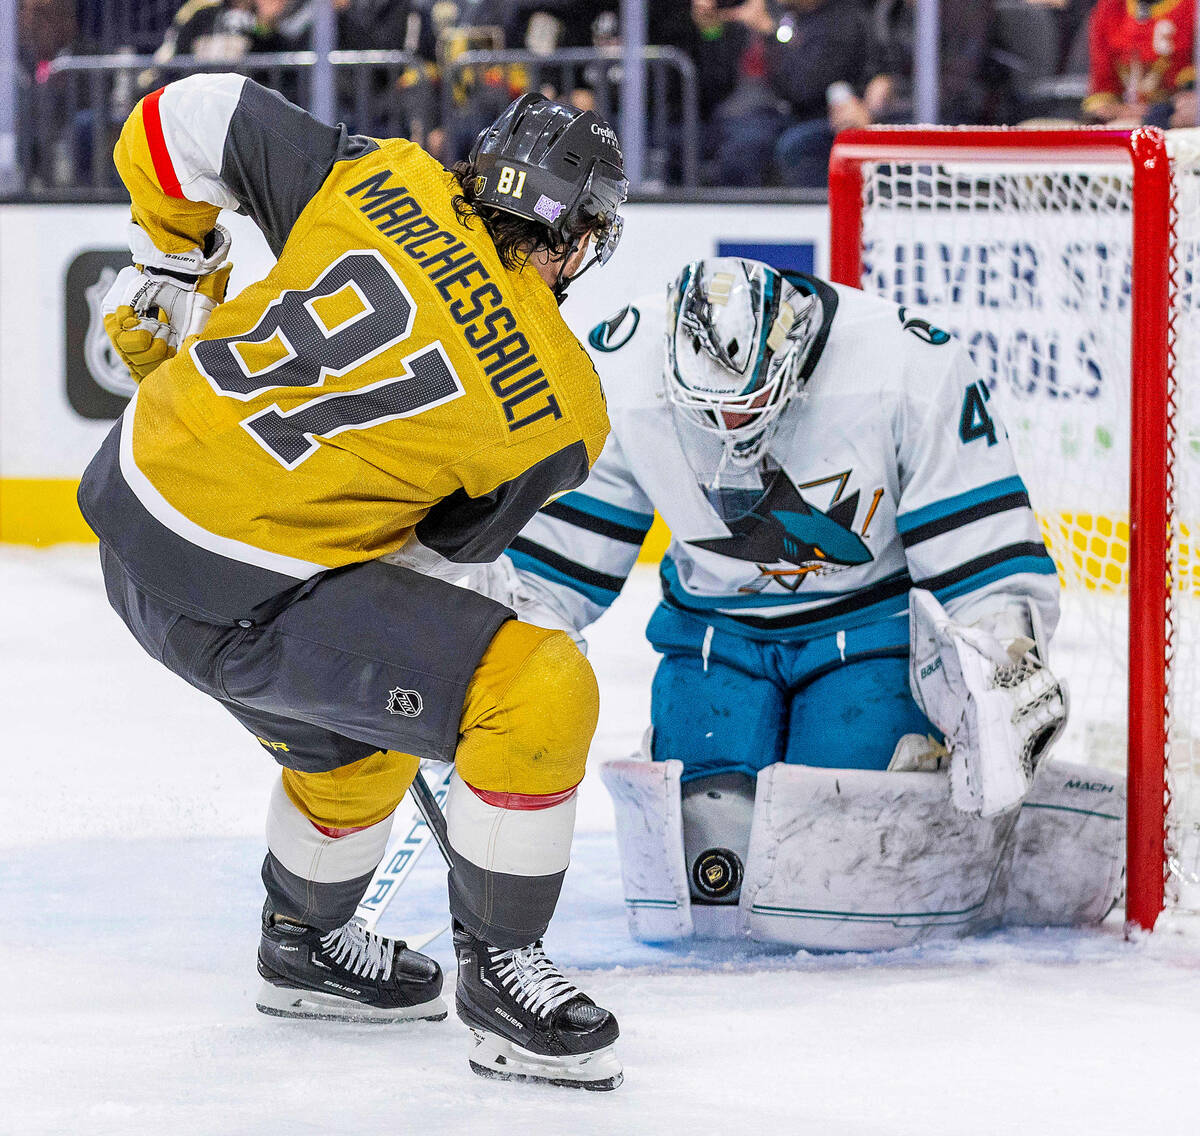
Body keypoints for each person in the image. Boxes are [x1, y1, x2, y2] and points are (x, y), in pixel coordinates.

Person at [78, 75, 627, 1089]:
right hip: (239, 597)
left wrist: (170, 253)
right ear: (574, 240)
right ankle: (502, 970)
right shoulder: (562, 401)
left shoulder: (380, 174)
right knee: (539, 683)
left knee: (370, 727)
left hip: (125, 507)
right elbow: (442, 549)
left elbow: (183, 112)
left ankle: (308, 944)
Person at [473, 258, 1126, 951]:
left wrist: (1007, 668)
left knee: (844, 861)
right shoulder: (615, 369)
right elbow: (551, 568)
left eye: (747, 404)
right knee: (708, 870)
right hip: (712, 637)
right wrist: (488, 661)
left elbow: (982, 554)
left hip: (868, 633)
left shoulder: (907, 364)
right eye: (709, 409)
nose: (728, 425)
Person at [1082, 0, 1196, 125]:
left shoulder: (1192, 8)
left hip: (1179, 127)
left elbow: (1189, 105)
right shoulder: (1109, 8)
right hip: (1131, 121)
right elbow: (1102, 94)